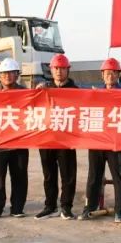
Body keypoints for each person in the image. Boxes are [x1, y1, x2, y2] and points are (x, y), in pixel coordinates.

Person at [80, 58, 121, 224]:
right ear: (102, 75)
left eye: (114, 73)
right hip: (97, 141)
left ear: (118, 75)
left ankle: (120, 210)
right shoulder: (95, 93)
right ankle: (90, 207)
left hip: (116, 142)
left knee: (118, 176)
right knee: (94, 176)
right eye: (107, 73)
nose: (110, 75)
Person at [37, 53, 78, 220]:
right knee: (49, 174)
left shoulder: (76, 91)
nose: (59, 72)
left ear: (68, 70)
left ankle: (66, 207)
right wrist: (38, 92)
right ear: (51, 70)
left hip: (66, 139)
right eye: (56, 69)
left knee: (68, 175)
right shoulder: (44, 89)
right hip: (47, 138)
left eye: (62, 69)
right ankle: (50, 206)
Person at [0, 58, 29, 219]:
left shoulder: (26, 93)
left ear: (17, 75)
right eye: (4, 73)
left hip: (19, 142)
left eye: (11, 73)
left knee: (19, 175)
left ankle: (17, 207)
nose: (7, 76)